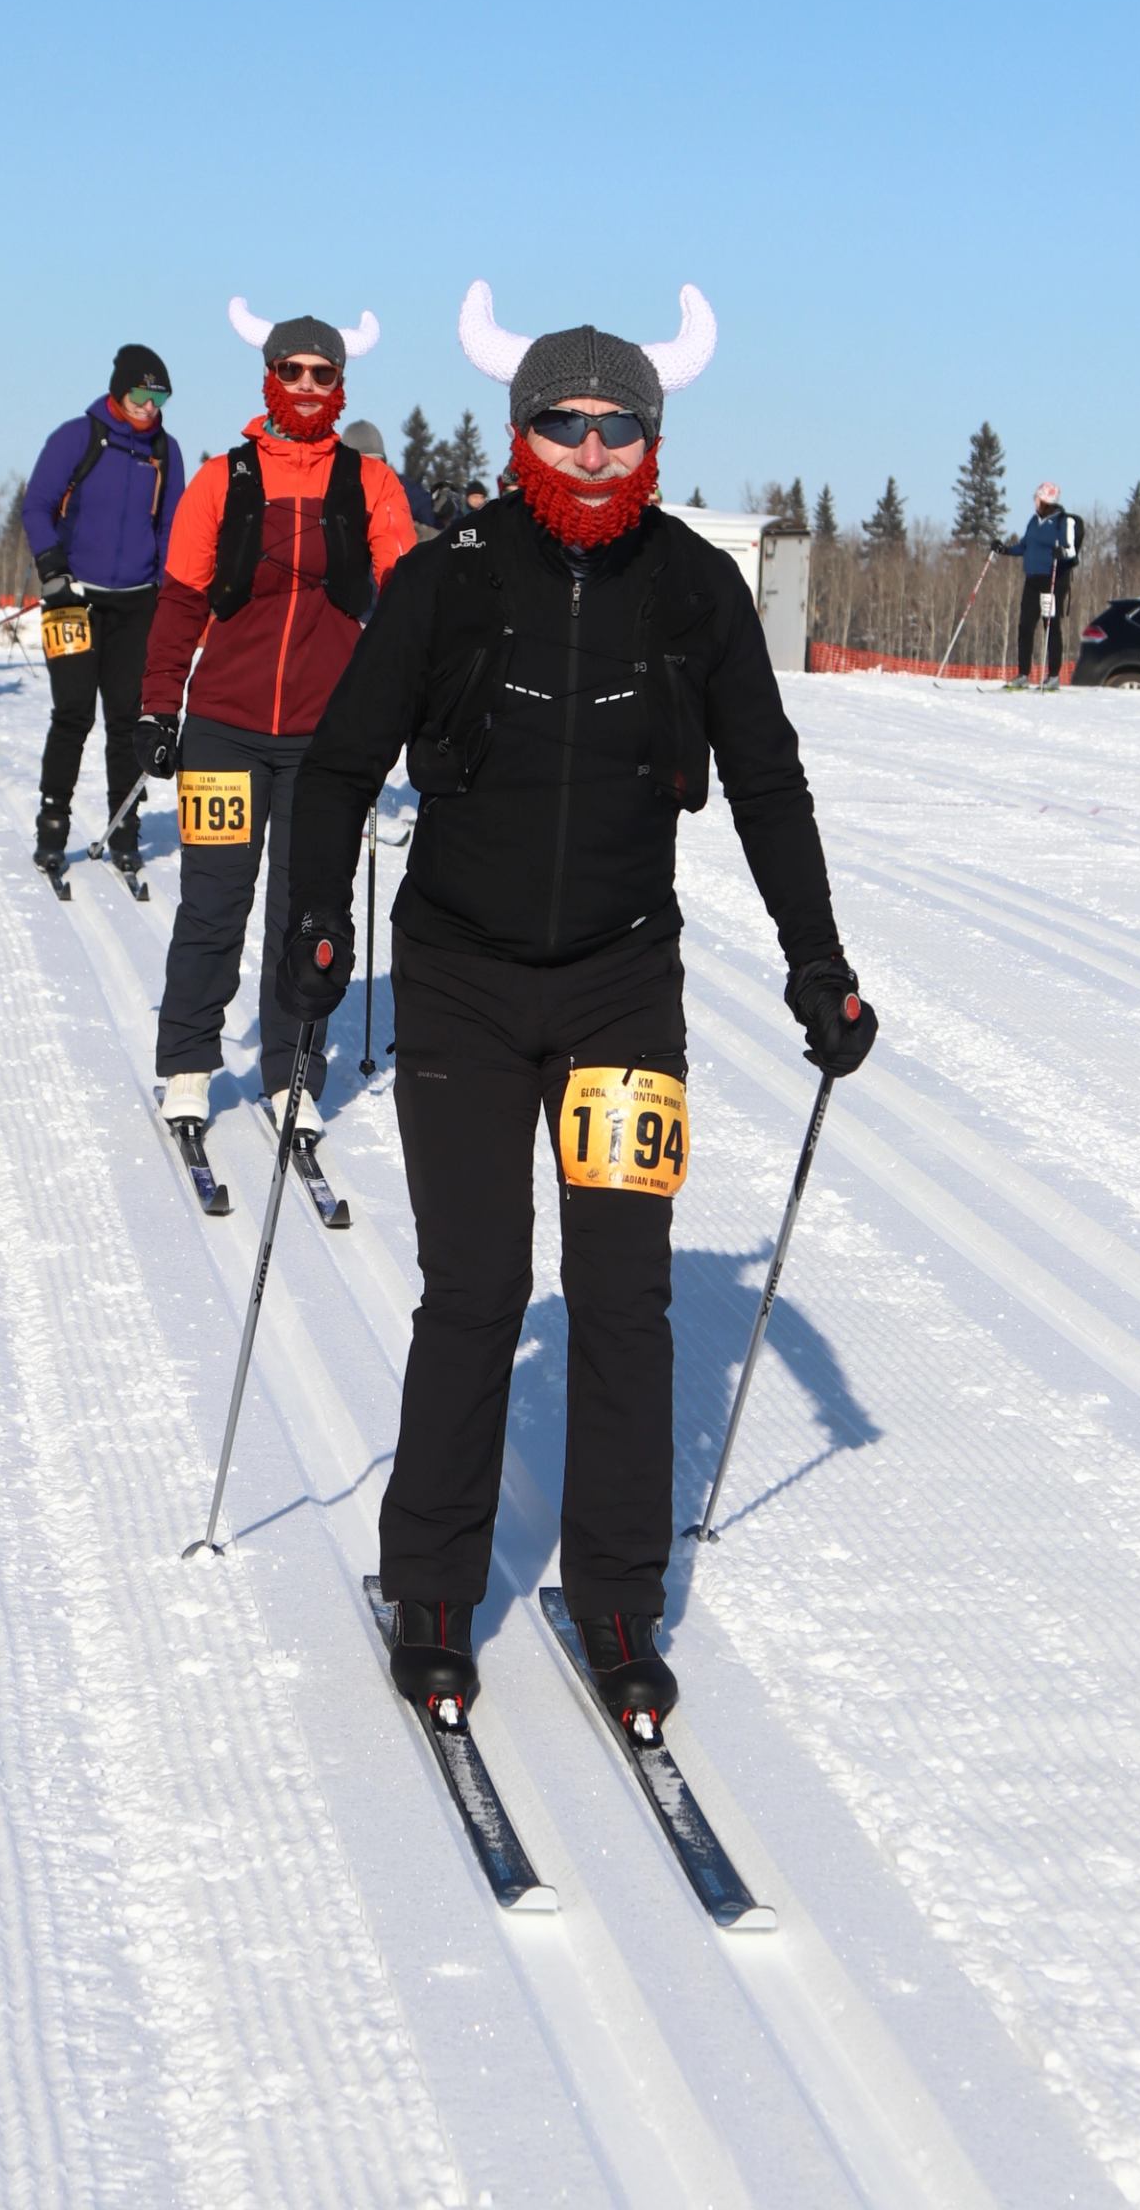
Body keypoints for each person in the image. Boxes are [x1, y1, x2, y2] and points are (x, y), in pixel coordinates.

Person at [278, 280, 877, 1731]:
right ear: (520, 429)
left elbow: (768, 782)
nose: (596, 451)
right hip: (464, 984)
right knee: (479, 1289)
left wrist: (819, 959)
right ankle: (429, 1584)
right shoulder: (450, 575)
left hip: (621, 988)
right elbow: (345, 761)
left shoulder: (692, 588)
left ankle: (616, 1596)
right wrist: (307, 925)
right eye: (569, 424)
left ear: (653, 437)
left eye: (622, 428)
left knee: (625, 1294)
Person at [134, 302, 415, 1128]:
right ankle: (188, 1061)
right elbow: (181, 603)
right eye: (291, 370)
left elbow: (408, 610)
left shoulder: (370, 485)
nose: (305, 386)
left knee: (308, 908)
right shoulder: (223, 479)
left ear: (340, 384)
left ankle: (295, 1069)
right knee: (215, 901)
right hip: (222, 725)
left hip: (325, 742)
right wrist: (158, 708)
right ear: (269, 376)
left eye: (321, 374)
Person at [22, 345, 185, 878]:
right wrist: (52, 570)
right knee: (72, 713)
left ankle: (125, 828)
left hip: (136, 602)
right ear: (119, 390)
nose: (148, 405)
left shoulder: (165, 450)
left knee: (125, 718)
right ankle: (53, 826)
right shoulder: (79, 436)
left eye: (158, 396)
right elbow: (38, 505)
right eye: (140, 394)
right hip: (73, 599)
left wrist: (165, 587)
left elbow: (171, 527)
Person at [994, 482, 1084, 687]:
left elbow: (1070, 550)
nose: (1035, 501)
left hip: (1052, 581)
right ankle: (1023, 674)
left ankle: (1053, 676)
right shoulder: (1034, 521)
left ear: (1046, 500)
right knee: (1025, 626)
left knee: (1050, 626)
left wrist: (1061, 552)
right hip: (1032, 580)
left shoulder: (1063, 521)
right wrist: (1004, 550)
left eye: (1038, 498)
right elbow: (1024, 546)